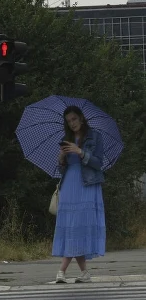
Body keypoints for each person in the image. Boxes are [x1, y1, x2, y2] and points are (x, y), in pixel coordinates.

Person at [52, 105, 107, 283]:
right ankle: (84, 273)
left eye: (74, 119)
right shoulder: (66, 139)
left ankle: (62, 270)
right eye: (69, 121)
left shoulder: (95, 137)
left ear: (81, 118)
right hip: (70, 183)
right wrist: (61, 158)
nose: (72, 123)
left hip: (88, 184)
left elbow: (98, 163)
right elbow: (62, 169)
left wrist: (80, 152)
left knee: (80, 225)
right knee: (71, 225)